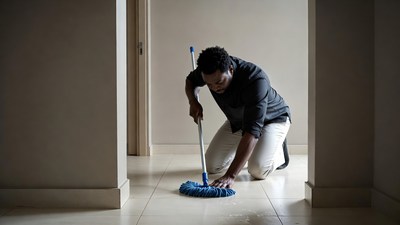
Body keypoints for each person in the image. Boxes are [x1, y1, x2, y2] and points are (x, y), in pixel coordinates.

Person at [185, 46, 291, 189]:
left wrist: (230, 175)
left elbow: (252, 131)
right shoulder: (208, 70)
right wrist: (193, 101)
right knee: (212, 166)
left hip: (272, 119)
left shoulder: (255, 80)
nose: (215, 88)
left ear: (231, 70)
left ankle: (277, 153)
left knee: (257, 170)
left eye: (219, 82)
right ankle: (254, 151)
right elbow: (191, 81)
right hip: (239, 120)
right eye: (209, 84)